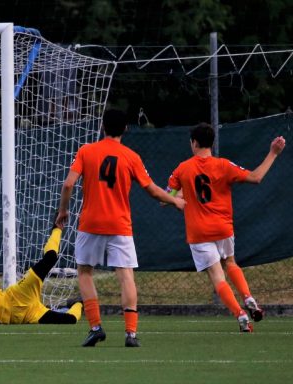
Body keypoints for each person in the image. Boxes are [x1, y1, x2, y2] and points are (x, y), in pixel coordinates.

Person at [56, 109, 186, 347]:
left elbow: (68, 184)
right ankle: (131, 333)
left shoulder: (86, 151)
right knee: (126, 276)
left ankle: (95, 327)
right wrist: (176, 200)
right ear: (125, 129)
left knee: (85, 272)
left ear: (103, 127)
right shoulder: (131, 156)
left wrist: (63, 210)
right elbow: (152, 189)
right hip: (120, 224)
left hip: (91, 223)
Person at [166, 123, 286, 332]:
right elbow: (256, 178)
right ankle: (249, 298)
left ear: (194, 143)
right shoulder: (223, 165)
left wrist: (180, 196)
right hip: (223, 228)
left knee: (216, 275)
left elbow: (167, 197)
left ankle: (240, 316)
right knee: (230, 262)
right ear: (211, 143)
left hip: (199, 232)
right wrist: (273, 153)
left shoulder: (182, 168)